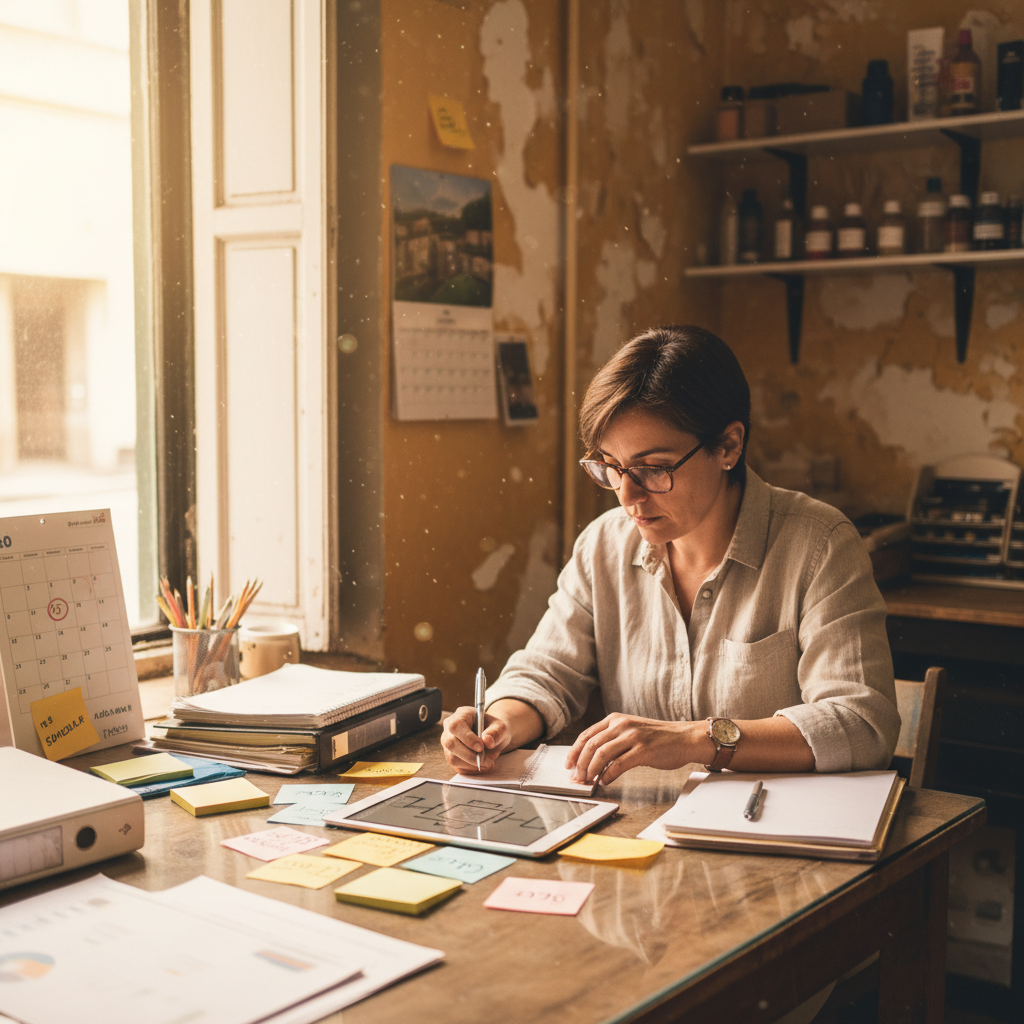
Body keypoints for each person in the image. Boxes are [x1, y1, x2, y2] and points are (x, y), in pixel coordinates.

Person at [441, 324, 899, 785]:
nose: (627, 496)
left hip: (769, 820)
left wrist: (695, 739)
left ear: (728, 446)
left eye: (654, 468)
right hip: (641, 821)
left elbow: (862, 724)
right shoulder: (603, 546)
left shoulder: (820, 545)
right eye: (611, 467)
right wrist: (497, 724)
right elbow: (546, 673)